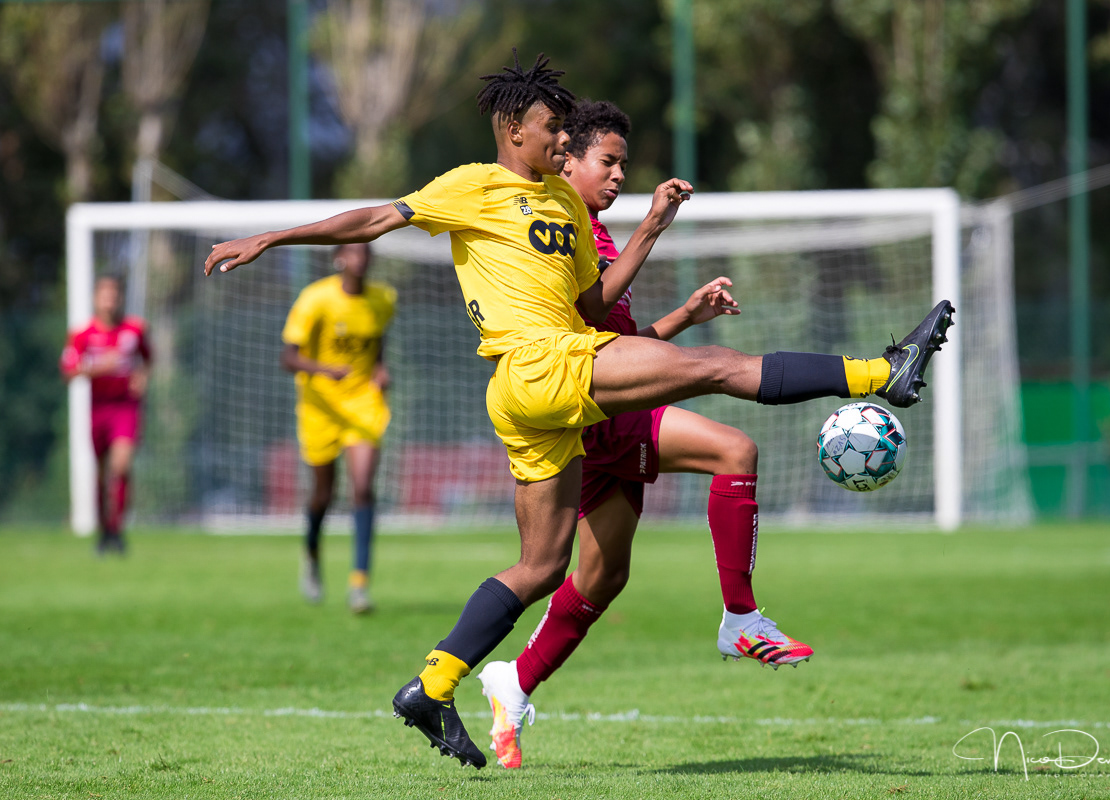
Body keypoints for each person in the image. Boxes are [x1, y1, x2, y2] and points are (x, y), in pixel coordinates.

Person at [203, 50, 953, 769]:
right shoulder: (472, 185)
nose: (562, 138)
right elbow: (375, 220)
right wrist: (273, 236)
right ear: (512, 128)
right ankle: (882, 372)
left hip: (539, 388)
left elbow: (593, 303)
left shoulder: (562, 198)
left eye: (566, 130)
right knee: (715, 371)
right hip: (537, 364)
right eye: (551, 128)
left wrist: (652, 232)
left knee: (542, 565)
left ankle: (431, 686)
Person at [476, 100, 809, 769]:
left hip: (601, 411)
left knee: (601, 579)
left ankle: (511, 684)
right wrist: (653, 228)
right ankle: (740, 617)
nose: (620, 175)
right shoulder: (559, 234)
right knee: (733, 450)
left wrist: (686, 314)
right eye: (609, 160)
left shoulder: (595, 236)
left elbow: (624, 346)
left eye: (625, 163)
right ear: (567, 159)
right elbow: (591, 330)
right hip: (588, 411)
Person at [280, 243, 396, 614]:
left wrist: (380, 368)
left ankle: (359, 584)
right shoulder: (316, 299)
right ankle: (312, 556)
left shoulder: (383, 299)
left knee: (362, 487)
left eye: (366, 253)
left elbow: (377, 341)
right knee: (323, 495)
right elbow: (288, 356)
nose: (360, 259)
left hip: (363, 402)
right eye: (353, 253)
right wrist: (323, 370)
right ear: (339, 258)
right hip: (320, 405)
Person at [60, 274, 152, 555]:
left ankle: (118, 528)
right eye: (104, 294)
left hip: (125, 408)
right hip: (98, 408)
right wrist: (100, 367)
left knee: (121, 466)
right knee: (101, 473)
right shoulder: (82, 334)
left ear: (120, 298)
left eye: (114, 294)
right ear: (95, 298)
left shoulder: (134, 330)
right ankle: (105, 530)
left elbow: (147, 360)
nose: (110, 300)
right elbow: (69, 370)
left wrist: (142, 377)